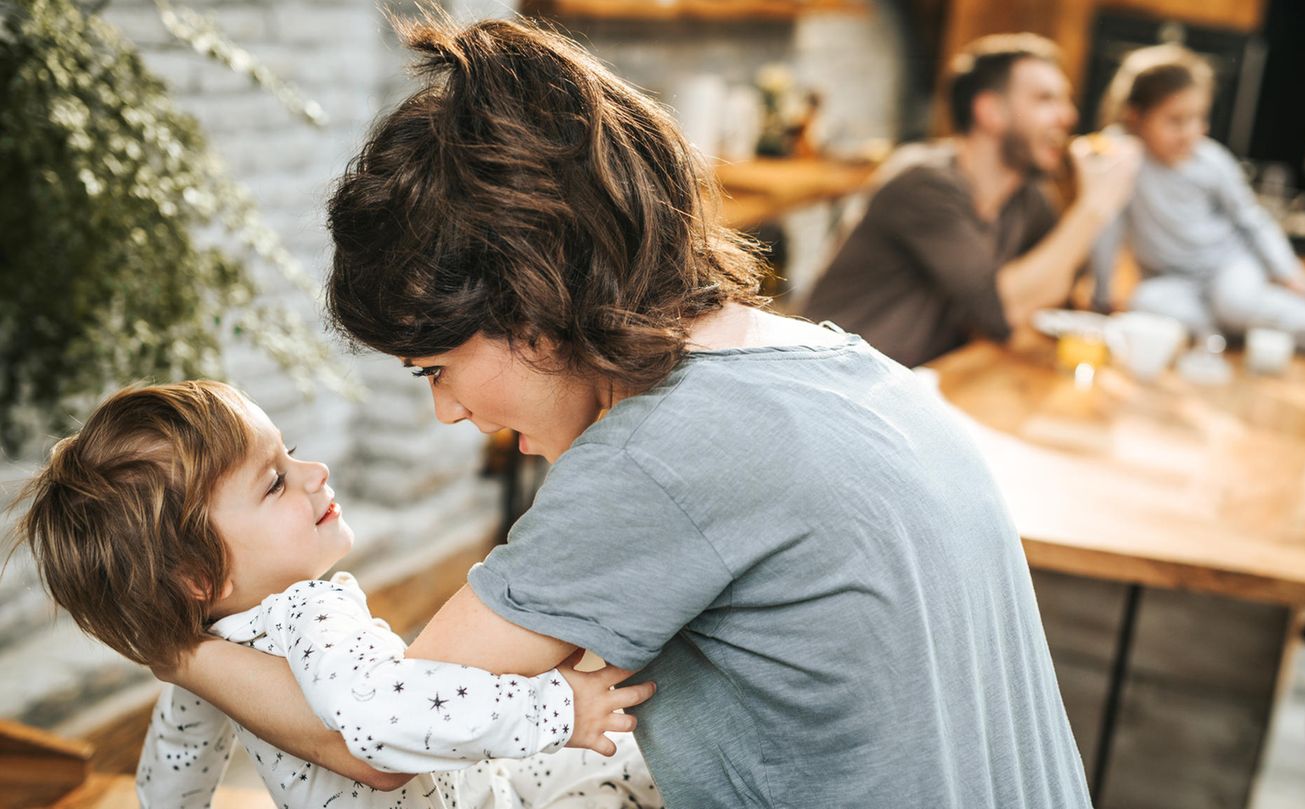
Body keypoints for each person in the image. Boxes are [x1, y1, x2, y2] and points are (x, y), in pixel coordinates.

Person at [160, 16, 1093, 809]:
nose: (448, 411)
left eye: (436, 368)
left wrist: (165, 638)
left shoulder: (660, 454)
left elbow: (378, 739)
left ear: (529, 306)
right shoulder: (840, 362)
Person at [12, 380, 659, 809]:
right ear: (200, 578)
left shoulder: (207, 660)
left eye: (289, 453)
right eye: (273, 483)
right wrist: (557, 706)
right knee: (635, 768)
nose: (314, 471)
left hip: (477, 784)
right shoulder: (308, 608)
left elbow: (176, 768)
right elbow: (383, 716)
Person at [801, 33, 1141, 368]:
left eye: (1065, 101)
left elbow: (1060, 289)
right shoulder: (923, 185)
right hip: (830, 377)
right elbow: (1000, 313)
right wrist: (1093, 208)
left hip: (919, 382)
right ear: (990, 111)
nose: (1068, 116)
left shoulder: (1028, 198)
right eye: (1045, 100)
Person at [1089, 44, 1305, 351]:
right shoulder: (1122, 158)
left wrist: (1287, 271)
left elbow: (1252, 219)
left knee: (1235, 304)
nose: (1190, 132)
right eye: (1176, 120)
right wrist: (1102, 293)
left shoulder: (1211, 161)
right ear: (1135, 116)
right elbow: (1106, 223)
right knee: (1144, 302)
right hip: (1173, 279)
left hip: (1228, 265)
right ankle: (1233, 332)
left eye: (1199, 119)